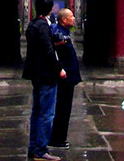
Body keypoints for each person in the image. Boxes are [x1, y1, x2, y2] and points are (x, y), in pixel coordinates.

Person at [22, 0, 65, 161]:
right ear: (49, 9)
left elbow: (39, 47)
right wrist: (59, 69)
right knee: (47, 114)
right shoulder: (42, 26)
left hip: (36, 74)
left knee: (37, 112)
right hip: (46, 74)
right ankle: (40, 149)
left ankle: (34, 147)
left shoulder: (32, 24)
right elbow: (47, 51)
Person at [48, 8, 81, 150]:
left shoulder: (62, 32)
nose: (74, 19)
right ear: (64, 20)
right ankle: (57, 138)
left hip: (68, 76)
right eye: (71, 17)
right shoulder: (59, 34)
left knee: (64, 108)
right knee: (62, 108)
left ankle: (59, 137)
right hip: (64, 77)